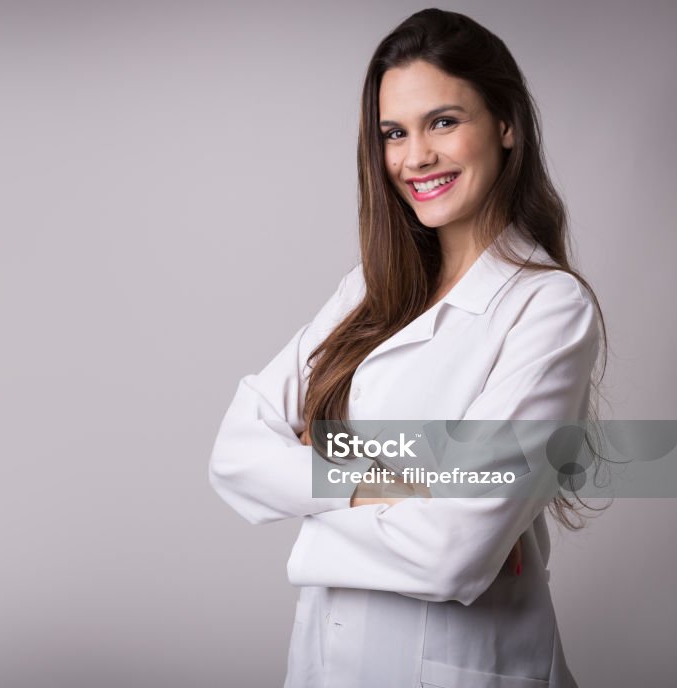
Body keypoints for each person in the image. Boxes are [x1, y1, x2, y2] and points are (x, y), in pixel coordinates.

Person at [208, 8, 607, 688]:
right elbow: (235, 456)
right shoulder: (369, 288)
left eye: (443, 122)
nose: (414, 156)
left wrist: (312, 499)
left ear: (506, 125)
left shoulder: (549, 308)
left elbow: (452, 553)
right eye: (393, 132)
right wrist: (398, 485)